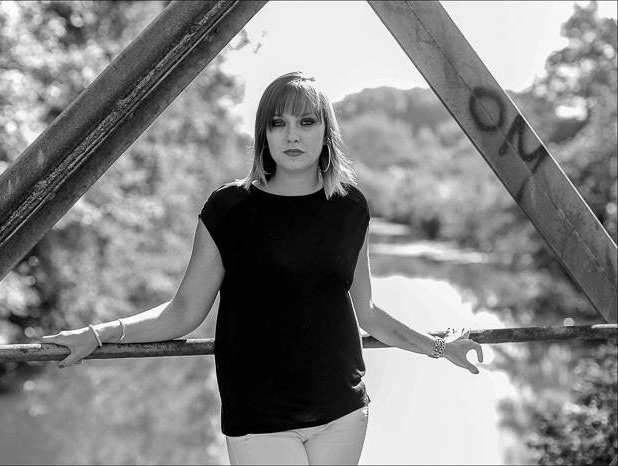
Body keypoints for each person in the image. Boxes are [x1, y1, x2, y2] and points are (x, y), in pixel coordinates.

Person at [43, 71, 484, 465]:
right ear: (264, 134)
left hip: (343, 413)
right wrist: (100, 333)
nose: (292, 135)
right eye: (278, 123)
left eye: (306, 122)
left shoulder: (350, 206)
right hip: (259, 420)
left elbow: (366, 311)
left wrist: (440, 347)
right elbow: (184, 311)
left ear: (326, 132)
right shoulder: (229, 209)